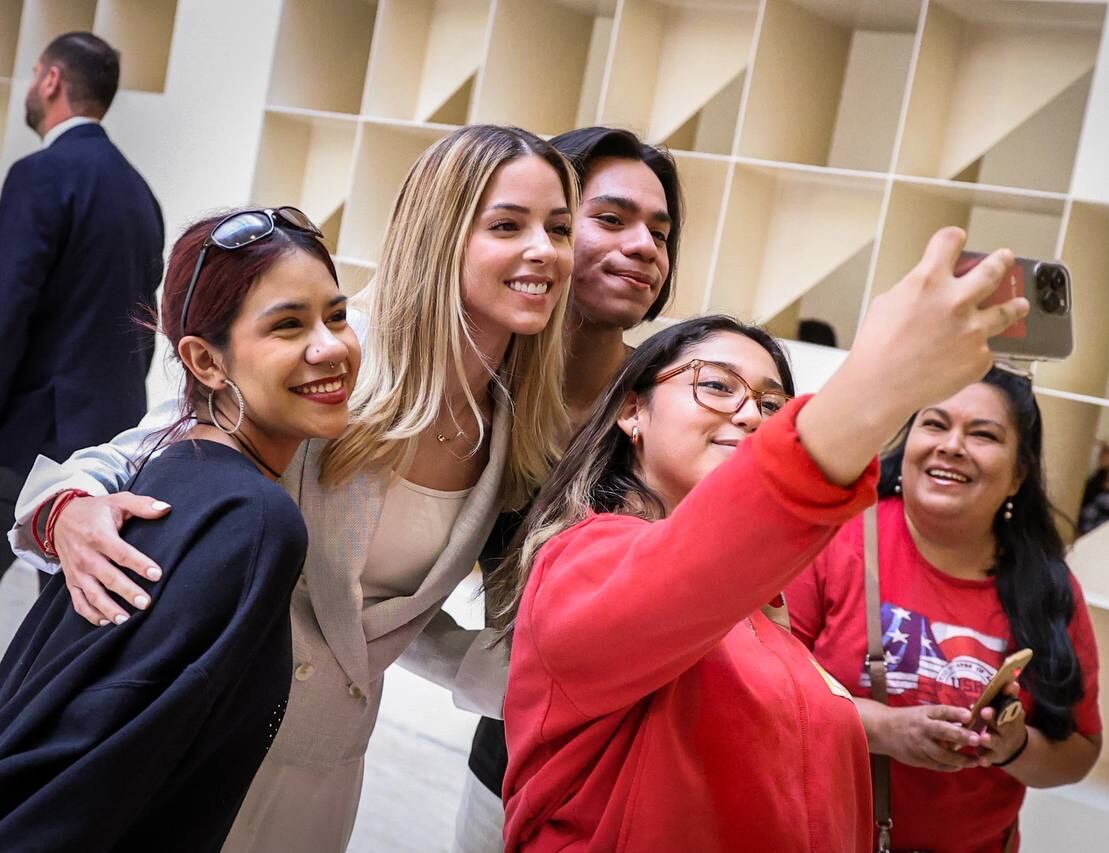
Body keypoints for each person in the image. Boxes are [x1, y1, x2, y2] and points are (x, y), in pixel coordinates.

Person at [7, 125, 576, 851]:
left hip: (326, 768)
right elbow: (153, 454)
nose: (544, 250)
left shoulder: (513, 428)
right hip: (203, 745)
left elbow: (371, 617)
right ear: (442, 234)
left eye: (559, 228)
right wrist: (69, 510)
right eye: (508, 224)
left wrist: (523, 682)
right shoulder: (331, 352)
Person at [493, 228, 1028, 851]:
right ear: (632, 411)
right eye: (716, 384)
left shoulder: (757, 612)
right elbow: (703, 556)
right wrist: (882, 383)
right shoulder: (583, 563)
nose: (751, 413)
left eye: (773, 403)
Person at [0, 206, 357, 849]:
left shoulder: (170, 466)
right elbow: (97, 772)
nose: (329, 345)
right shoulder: (255, 522)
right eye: (288, 325)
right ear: (206, 361)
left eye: (337, 316)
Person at [457, 126, 683, 853]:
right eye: (610, 219)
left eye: (661, 230)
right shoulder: (474, 388)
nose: (645, 245)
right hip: (511, 764)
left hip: (656, 778)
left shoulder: (677, 404)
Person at [785, 368, 1103, 853]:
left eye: (983, 435)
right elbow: (772, 692)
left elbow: (1078, 754)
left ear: (1018, 475)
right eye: (934, 424)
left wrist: (1013, 747)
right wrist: (887, 730)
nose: (952, 445)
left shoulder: (1049, 588)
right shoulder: (840, 534)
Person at [0, 32, 163, 583]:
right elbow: (144, 326)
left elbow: (6, 309)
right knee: (66, 621)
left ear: (51, 81)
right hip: (107, 445)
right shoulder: (141, 194)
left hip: (25, 436)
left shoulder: (38, 175)